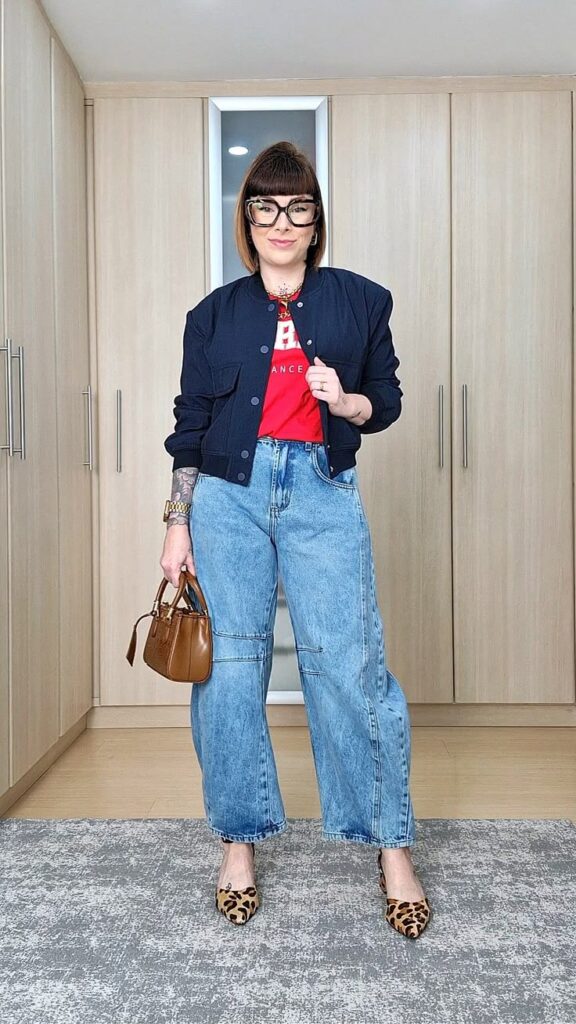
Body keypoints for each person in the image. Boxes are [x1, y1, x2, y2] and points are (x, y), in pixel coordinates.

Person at [160, 141, 431, 938]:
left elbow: (385, 402)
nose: (281, 222)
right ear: (248, 221)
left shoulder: (362, 301)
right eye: (265, 207)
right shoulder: (212, 316)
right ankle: (238, 843)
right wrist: (177, 522)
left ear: (316, 220)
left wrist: (344, 403)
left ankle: (391, 847)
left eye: (297, 206)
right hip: (227, 498)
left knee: (351, 665)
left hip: (321, 489)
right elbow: (190, 426)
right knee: (229, 673)